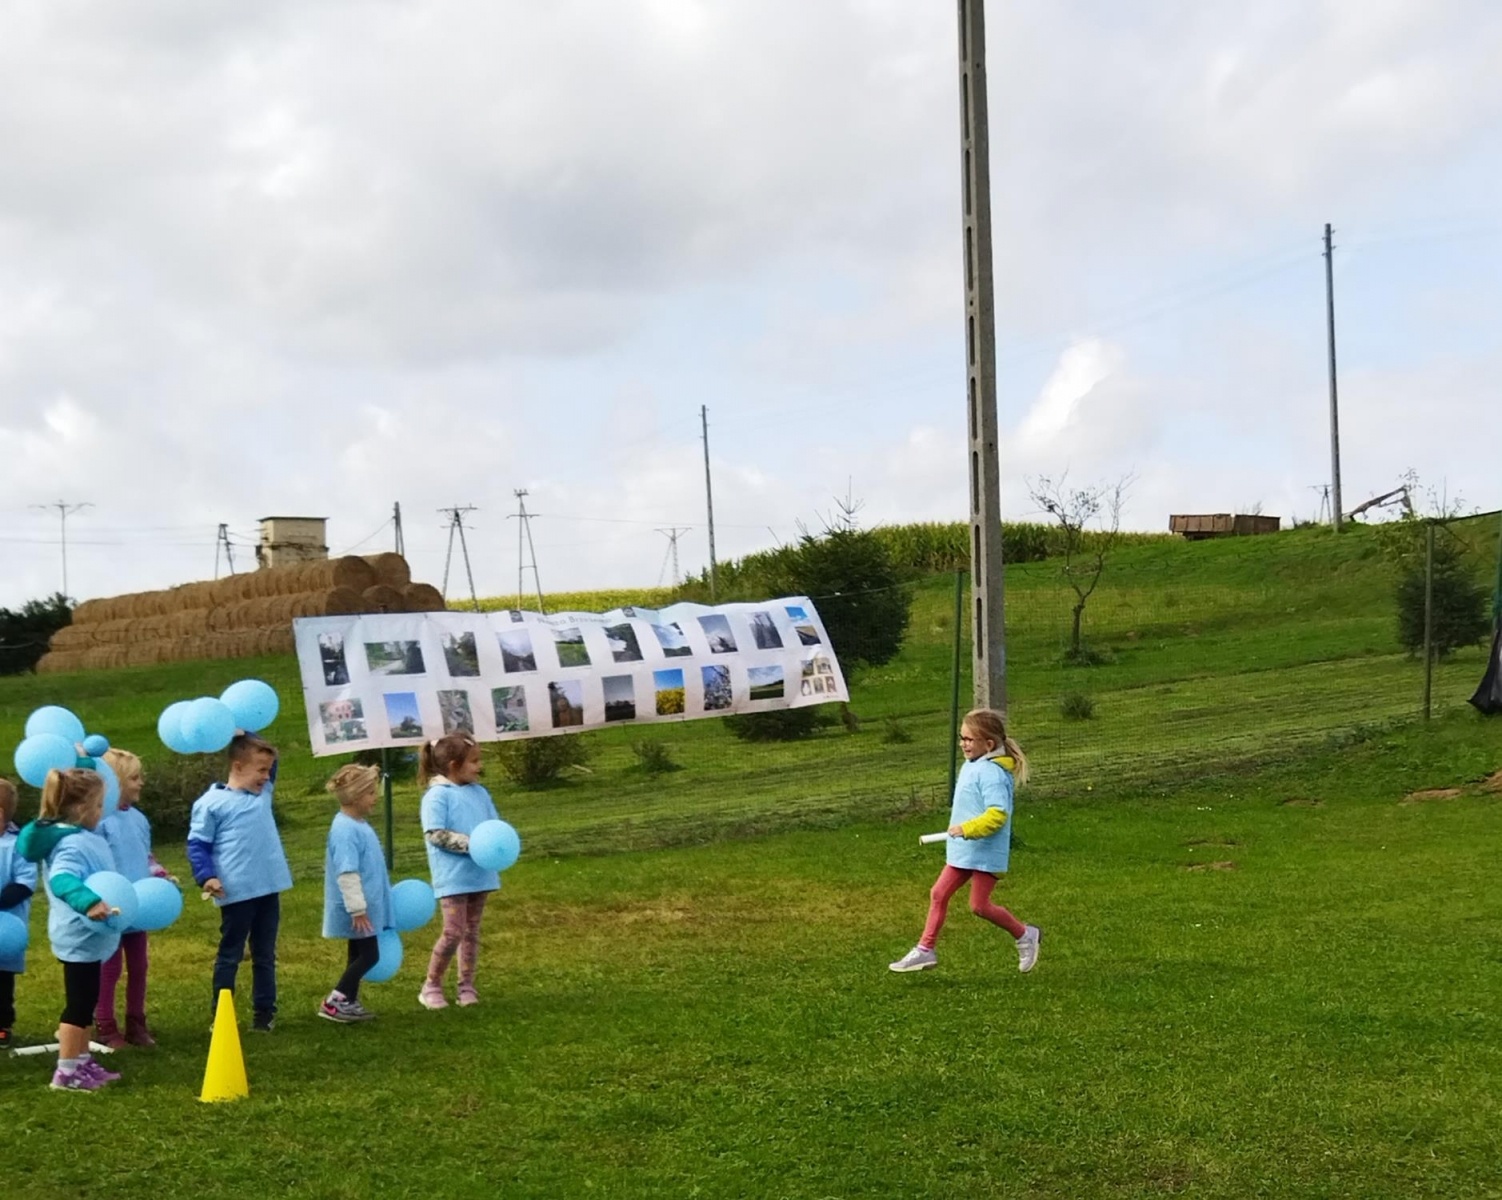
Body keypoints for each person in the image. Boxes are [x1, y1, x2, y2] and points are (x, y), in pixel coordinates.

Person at [890, 709, 1041, 974]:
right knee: (938, 893)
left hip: (986, 850)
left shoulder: (993, 773)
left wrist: (968, 828)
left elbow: (997, 814)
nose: (963, 744)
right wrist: (964, 832)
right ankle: (925, 950)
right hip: (964, 849)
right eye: (962, 738)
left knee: (979, 906)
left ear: (989, 744)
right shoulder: (972, 765)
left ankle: (1025, 934)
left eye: (969, 739)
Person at [16, 768, 123, 1091]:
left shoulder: (82, 835)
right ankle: (65, 1072)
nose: (102, 811)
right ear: (82, 809)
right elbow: (63, 878)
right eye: (99, 804)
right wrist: (87, 901)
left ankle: (81, 1061)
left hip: (90, 935)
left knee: (87, 1000)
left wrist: (83, 758)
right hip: (78, 934)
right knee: (78, 1004)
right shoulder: (71, 844)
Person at [187, 733, 292, 1032]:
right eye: (260, 770)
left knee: (265, 954)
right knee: (230, 953)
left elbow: (273, 758)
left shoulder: (263, 794)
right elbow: (198, 844)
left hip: (268, 888)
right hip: (236, 892)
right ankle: (222, 1014)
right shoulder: (211, 803)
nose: (265, 775)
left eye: (267, 770)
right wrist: (206, 876)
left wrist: (246, 733)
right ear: (237, 766)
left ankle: (264, 1013)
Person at [94, 748, 176, 1048]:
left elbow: (146, 855)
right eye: (134, 778)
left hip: (140, 908)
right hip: (114, 907)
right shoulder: (101, 821)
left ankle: (136, 1022)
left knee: (139, 966)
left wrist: (160, 875)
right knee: (110, 967)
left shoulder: (139, 819)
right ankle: (104, 1024)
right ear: (115, 782)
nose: (141, 783)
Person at [418, 734, 499, 1010]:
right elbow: (436, 834)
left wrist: (494, 847)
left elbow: (494, 827)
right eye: (474, 761)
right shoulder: (437, 796)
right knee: (453, 931)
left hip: (481, 874)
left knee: (471, 931)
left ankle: (466, 985)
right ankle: (431, 985)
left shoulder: (480, 792)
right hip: (453, 877)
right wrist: (473, 845)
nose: (479, 766)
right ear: (454, 765)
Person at [319, 763, 392, 1023]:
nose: (376, 798)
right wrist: (357, 909)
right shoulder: (344, 830)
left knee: (357, 954)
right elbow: (347, 873)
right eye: (371, 793)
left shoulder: (357, 824)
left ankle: (348, 1002)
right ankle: (335, 1001)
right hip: (359, 907)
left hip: (366, 904)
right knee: (370, 955)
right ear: (355, 797)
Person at [0, 778, 38, 1051]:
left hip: (6, 926)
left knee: (2, 982)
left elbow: (24, 883)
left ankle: (2, 1028)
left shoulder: (17, 845)